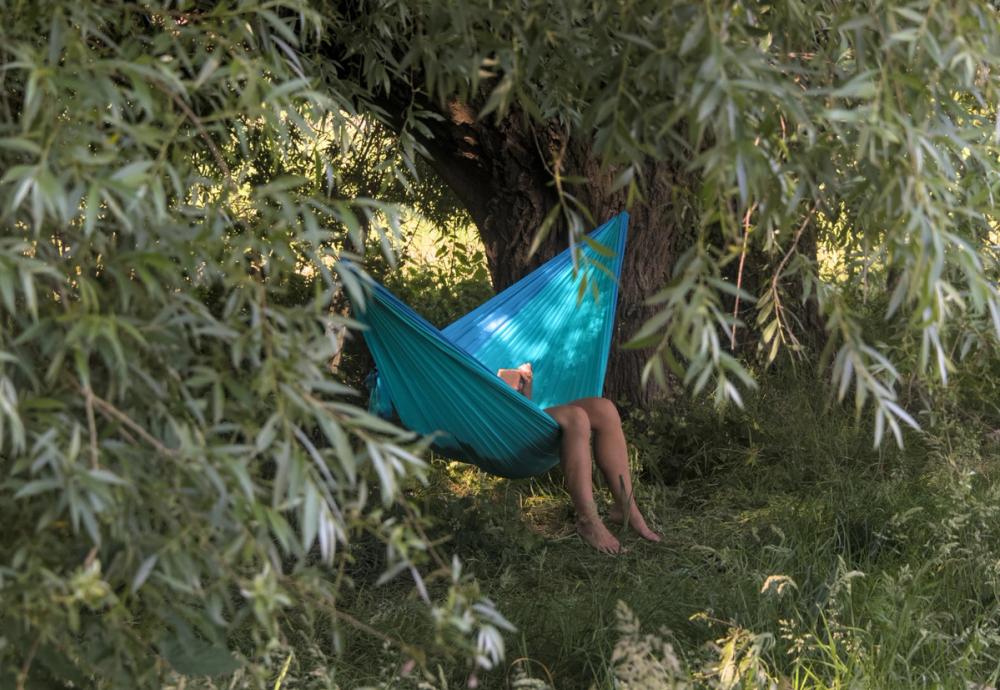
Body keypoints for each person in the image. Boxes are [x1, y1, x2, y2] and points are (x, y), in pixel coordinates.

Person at [496, 362, 661, 554]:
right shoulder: (467, 345)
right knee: (576, 418)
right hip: (501, 431)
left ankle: (626, 508)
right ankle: (588, 521)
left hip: (528, 418)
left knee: (605, 410)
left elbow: (524, 403)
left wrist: (523, 382)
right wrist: (508, 382)